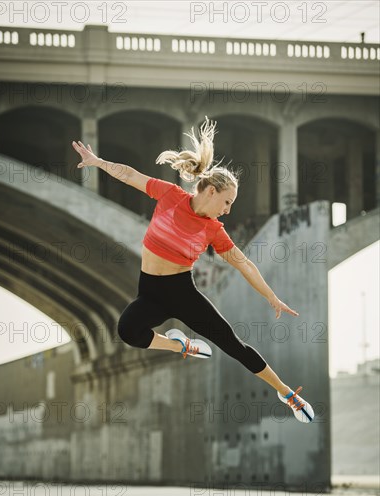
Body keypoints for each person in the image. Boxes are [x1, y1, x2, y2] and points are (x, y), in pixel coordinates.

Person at [72, 116, 314, 423]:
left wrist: (272, 297)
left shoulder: (214, 230)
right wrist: (97, 161)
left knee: (232, 345)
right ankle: (181, 345)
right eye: (227, 202)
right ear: (210, 191)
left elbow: (244, 264)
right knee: (128, 330)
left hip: (181, 292)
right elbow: (131, 175)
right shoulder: (170, 195)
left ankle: (288, 394)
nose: (227, 210)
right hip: (150, 292)